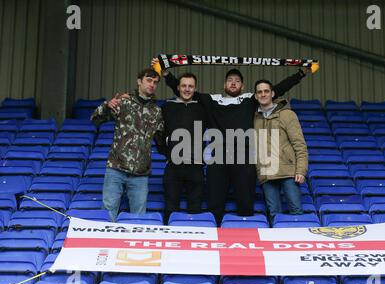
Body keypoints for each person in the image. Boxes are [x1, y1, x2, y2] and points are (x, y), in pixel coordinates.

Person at [155, 58, 309, 223]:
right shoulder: (212, 100)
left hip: (243, 159)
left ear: (242, 86)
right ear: (224, 85)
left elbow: (277, 89)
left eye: (237, 81)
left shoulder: (250, 99)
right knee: (215, 206)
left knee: (245, 205)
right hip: (218, 159)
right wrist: (165, 74)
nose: (233, 83)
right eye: (230, 80)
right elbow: (185, 90)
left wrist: (300, 74)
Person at [90, 68, 164, 222]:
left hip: (141, 173)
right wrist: (106, 105)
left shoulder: (157, 111)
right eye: (149, 80)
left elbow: (161, 137)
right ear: (139, 81)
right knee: (108, 213)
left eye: (155, 82)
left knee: (139, 218)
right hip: (116, 168)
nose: (152, 85)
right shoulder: (124, 102)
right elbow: (95, 119)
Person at [253, 79, 308, 221]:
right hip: (267, 172)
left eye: (266, 91)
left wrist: (301, 170)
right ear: (255, 96)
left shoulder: (287, 115)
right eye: (259, 92)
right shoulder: (254, 118)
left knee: (296, 212)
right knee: (274, 215)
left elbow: (299, 144)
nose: (263, 94)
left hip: (288, 172)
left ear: (272, 93)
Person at [158, 73, 207, 224]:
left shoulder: (202, 108)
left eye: (190, 86)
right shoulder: (167, 107)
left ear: (195, 88)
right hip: (173, 166)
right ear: (177, 87)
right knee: (170, 208)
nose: (187, 89)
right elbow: (158, 134)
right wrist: (168, 153)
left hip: (196, 166)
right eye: (184, 86)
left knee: (195, 208)